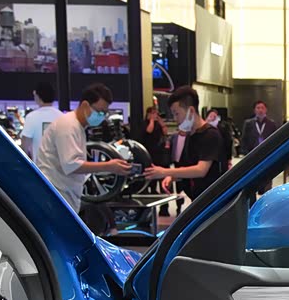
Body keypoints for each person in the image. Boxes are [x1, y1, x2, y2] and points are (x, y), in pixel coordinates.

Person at [34, 84, 130, 213]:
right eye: (99, 111)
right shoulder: (68, 126)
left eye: (105, 113)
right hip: (55, 194)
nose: (102, 116)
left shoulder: (78, 127)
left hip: (64, 192)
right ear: (85, 105)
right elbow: (71, 165)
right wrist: (108, 166)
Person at [144, 86, 225, 200]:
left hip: (212, 200)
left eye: (177, 114)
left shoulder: (210, 135)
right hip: (197, 199)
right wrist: (172, 177)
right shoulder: (190, 135)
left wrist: (164, 171)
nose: (175, 118)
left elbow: (201, 170)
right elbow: (188, 167)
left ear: (191, 111)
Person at [19, 81, 64, 158]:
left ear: (37, 96)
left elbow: (25, 145)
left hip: (39, 164)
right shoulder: (62, 117)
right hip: (59, 164)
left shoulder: (31, 117)